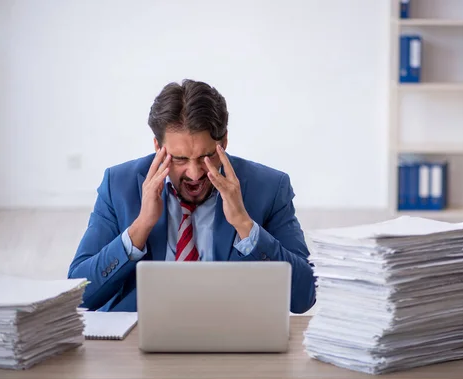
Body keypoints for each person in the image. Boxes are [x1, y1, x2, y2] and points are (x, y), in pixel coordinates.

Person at [68, 79, 316, 314]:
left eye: (206, 156)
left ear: (224, 142)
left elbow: (304, 296)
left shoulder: (270, 188)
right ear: (157, 146)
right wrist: (140, 227)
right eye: (180, 159)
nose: (195, 174)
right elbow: (78, 295)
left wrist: (244, 224)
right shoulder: (119, 185)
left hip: (233, 342)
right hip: (139, 338)